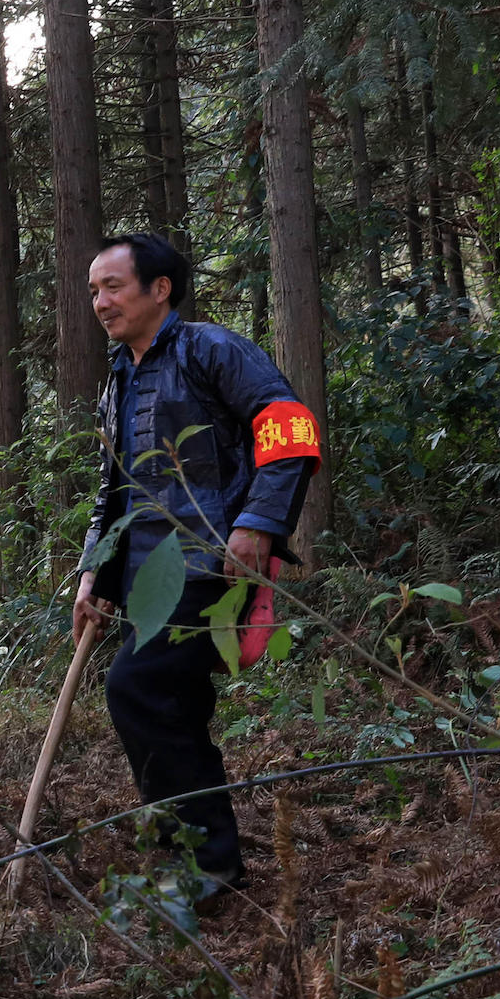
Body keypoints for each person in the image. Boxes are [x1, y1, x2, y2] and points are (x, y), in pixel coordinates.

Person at [75, 233, 319, 893]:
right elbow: (114, 489)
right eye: (94, 289)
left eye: (113, 286)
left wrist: (258, 524)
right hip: (143, 577)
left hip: (208, 562)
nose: (100, 301)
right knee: (171, 704)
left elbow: (287, 422)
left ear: (160, 289)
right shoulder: (118, 380)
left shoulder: (213, 349)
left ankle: (205, 864)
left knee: (137, 688)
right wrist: (94, 571)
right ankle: (196, 856)